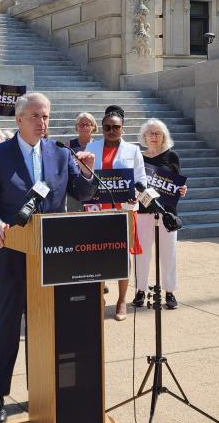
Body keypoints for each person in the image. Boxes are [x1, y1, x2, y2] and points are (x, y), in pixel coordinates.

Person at [0, 93, 97, 423]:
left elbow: (82, 194)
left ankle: (40, 390)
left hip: (51, 257)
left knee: (46, 328)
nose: (42, 123)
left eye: (46, 117)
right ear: (18, 120)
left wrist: (87, 173)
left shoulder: (60, 152)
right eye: (35, 117)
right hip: (11, 254)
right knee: (7, 327)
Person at [84, 105, 147, 321]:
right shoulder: (91, 147)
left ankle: (121, 300)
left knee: (122, 256)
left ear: (123, 128)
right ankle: (98, 297)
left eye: (116, 127)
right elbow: (86, 176)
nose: (111, 130)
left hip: (124, 211)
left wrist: (135, 195)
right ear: (101, 128)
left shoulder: (133, 150)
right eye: (107, 127)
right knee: (98, 253)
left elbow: (141, 179)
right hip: (98, 211)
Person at [133, 118, 187, 310]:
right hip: (143, 211)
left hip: (167, 213)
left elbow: (177, 185)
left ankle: (170, 292)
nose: (154, 136)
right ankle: (140, 290)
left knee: (169, 253)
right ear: (144, 136)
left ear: (163, 136)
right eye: (150, 133)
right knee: (142, 254)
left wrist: (182, 189)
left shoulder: (172, 157)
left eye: (157, 133)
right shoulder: (138, 157)